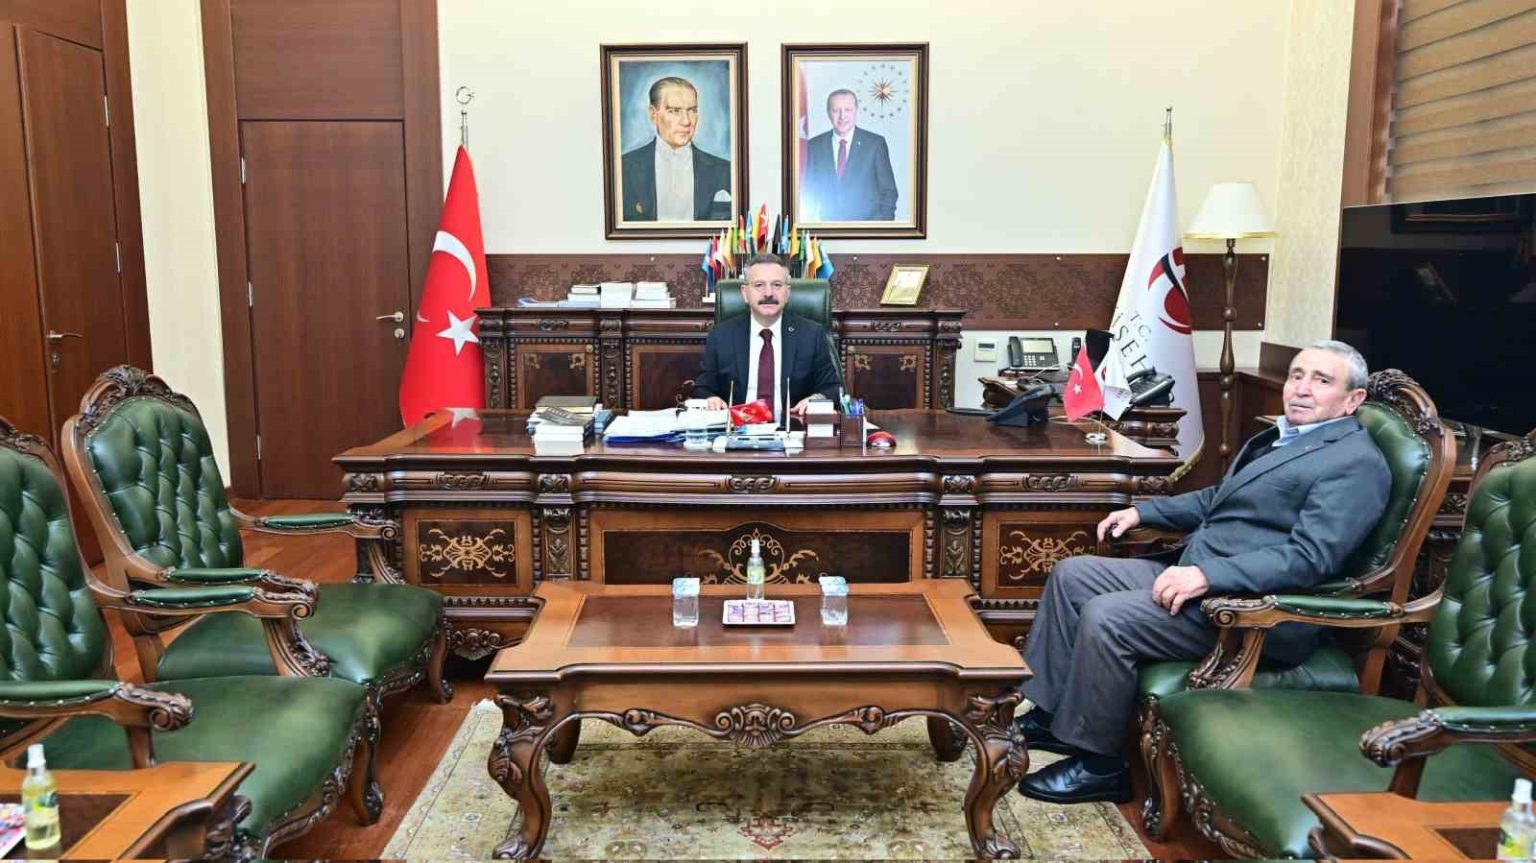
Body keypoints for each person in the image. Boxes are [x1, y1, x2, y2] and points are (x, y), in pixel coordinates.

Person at [1014, 340, 1391, 804]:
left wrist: (1209, 576)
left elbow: (1310, 557)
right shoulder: (1285, 437)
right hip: (1198, 569)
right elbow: (1219, 499)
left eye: (1322, 380)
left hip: (1255, 609)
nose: (1301, 388)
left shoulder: (1355, 464)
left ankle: (1101, 765)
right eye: (1296, 375)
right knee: (1073, 575)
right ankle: (1052, 715)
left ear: (1353, 400)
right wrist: (1144, 512)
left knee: (1107, 616)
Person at [692, 253, 841, 421]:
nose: (768, 293)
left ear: (787, 293)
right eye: (759, 285)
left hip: (792, 431)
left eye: (777, 285)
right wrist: (711, 399)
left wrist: (816, 400)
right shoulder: (721, 335)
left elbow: (832, 389)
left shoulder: (811, 334)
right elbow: (702, 388)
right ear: (745, 293)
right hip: (737, 430)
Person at [621, 76, 732, 222]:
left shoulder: (724, 170)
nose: (686, 121)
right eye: (674, 111)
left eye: (692, 110)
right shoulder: (625, 167)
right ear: (653, 114)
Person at [802, 89, 897, 221]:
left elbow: (888, 192)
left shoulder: (875, 144)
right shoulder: (815, 146)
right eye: (836, 110)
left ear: (856, 111)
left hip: (867, 227)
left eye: (848, 110)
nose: (842, 116)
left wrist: (881, 228)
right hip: (828, 228)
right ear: (829, 113)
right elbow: (809, 190)